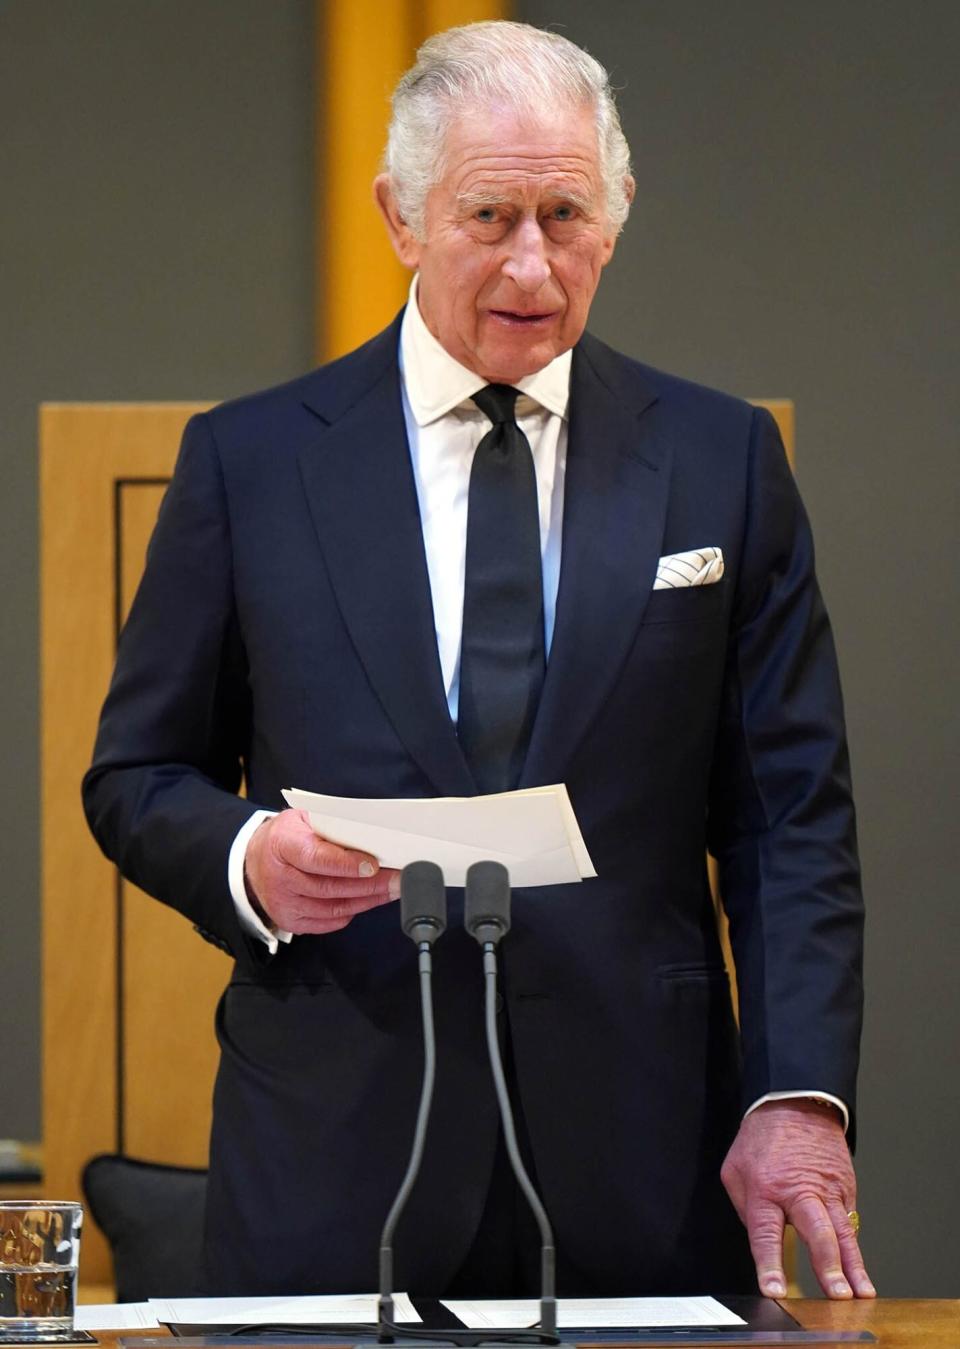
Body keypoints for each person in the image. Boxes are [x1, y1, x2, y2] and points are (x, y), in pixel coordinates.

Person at [83, 21, 874, 1303]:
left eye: (566, 215)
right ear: (402, 217)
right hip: (339, 1149)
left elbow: (792, 816)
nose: (530, 261)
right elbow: (137, 774)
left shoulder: (722, 462)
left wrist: (798, 1095)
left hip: (643, 1151)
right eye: (489, 212)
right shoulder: (252, 462)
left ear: (616, 221)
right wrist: (246, 857)